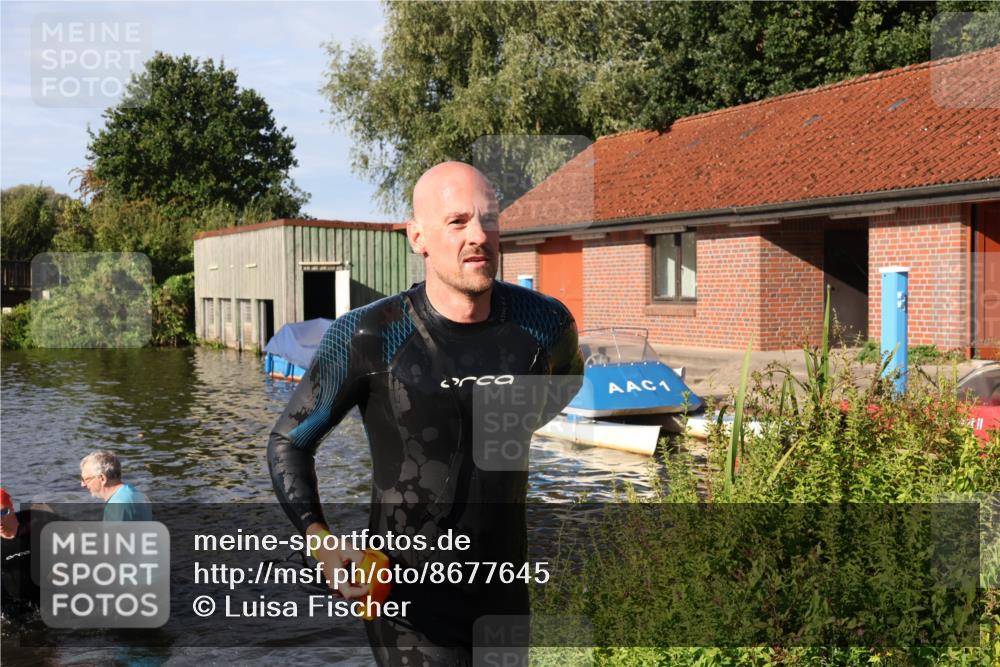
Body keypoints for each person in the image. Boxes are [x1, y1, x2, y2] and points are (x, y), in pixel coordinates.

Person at [268, 161, 582, 665]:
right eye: (458, 222)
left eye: (490, 219)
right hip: (405, 602)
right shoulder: (370, 336)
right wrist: (320, 540)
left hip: (503, 595)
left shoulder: (544, 325)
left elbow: (567, 381)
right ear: (419, 237)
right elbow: (289, 441)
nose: (479, 235)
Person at [1, 488, 57, 617]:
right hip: (10, 605)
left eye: (3, 512)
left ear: (12, 509)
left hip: (45, 598)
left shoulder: (33, 524)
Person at [80, 450, 152, 521]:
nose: (82, 484)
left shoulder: (116, 506)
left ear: (102, 478)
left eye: (85, 479)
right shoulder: (137, 495)